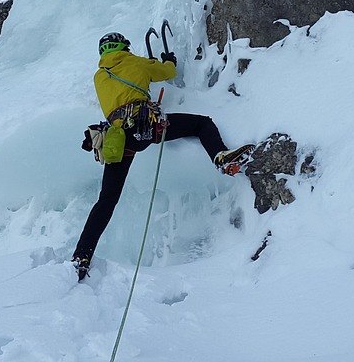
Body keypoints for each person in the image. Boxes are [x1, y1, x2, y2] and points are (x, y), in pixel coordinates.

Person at [72, 31, 252, 281]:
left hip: (119, 140)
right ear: (124, 46)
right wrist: (168, 60)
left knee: (106, 201)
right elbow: (168, 73)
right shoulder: (136, 62)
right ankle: (220, 157)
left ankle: (82, 255)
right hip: (148, 128)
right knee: (201, 124)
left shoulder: (99, 76)